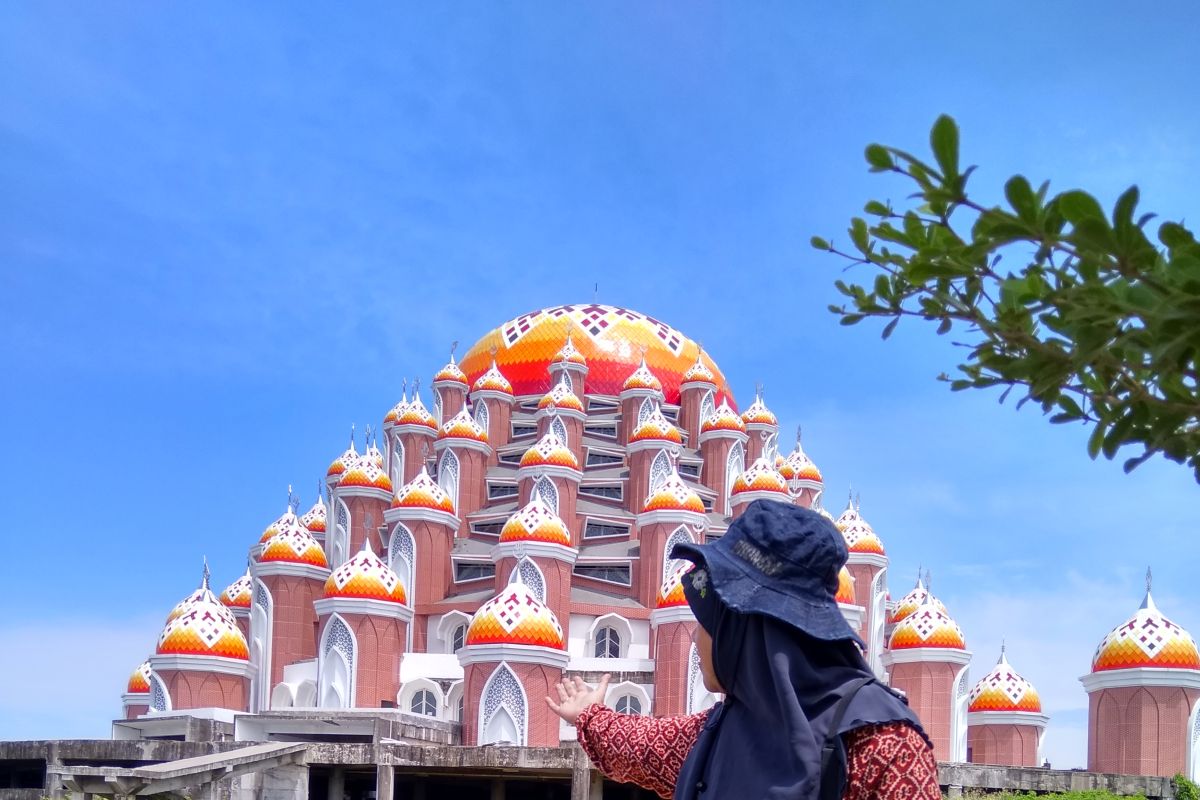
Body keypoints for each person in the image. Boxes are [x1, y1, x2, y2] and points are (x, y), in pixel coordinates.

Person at [546, 499, 940, 800]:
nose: (698, 642)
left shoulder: (884, 747)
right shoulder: (717, 733)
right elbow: (637, 744)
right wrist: (588, 715)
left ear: (742, 630)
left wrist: (590, 716)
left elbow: (641, 746)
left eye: (708, 623)